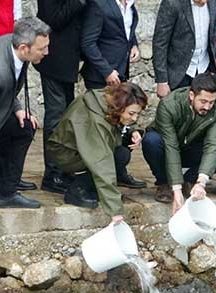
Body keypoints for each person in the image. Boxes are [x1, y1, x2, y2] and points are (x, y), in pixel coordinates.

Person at [47, 83, 147, 221]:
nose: (134, 118)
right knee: (110, 159)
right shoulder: (95, 119)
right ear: (120, 106)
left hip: (81, 147)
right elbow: (100, 161)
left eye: (137, 114)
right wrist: (115, 209)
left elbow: (120, 118)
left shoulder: (107, 99)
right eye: (132, 114)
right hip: (66, 154)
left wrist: (133, 129)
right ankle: (78, 189)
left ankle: (94, 187)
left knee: (122, 153)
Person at [0, 18, 50, 210]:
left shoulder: (14, 47)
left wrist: (18, 108)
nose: (47, 52)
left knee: (24, 126)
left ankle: (6, 190)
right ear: (23, 48)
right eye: (42, 48)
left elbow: (8, 85)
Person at [80, 0, 145, 189]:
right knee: (101, 127)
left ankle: (119, 170)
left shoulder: (131, 7)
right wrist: (106, 70)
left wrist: (134, 45)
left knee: (120, 122)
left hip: (121, 73)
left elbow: (125, 33)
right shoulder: (99, 5)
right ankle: (97, 175)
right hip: (100, 77)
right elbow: (88, 42)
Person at [141, 73, 216, 211]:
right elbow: (171, 145)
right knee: (151, 141)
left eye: (211, 102)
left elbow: (213, 144)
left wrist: (202, 182)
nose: (208, 107)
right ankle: (164, 183)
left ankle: (191, 180)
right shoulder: (169, 105)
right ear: (192, 95)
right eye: (203, 102)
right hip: (169, 146)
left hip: (194, 146)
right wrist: (176, 189)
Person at [34, 0, 87, 194]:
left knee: (66, 118)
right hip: (54, 60)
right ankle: (52, 174)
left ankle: (64, 169)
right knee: (56, 117)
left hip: (69, 60)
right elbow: (54, 19)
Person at [153, 0, 216, 99]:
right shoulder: (172, 3)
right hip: (178, 72)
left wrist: (215, 59)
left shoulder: (214, 2)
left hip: (204, 68)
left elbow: (215, 30)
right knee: (177, 111)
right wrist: (162, 81)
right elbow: (160, 43)